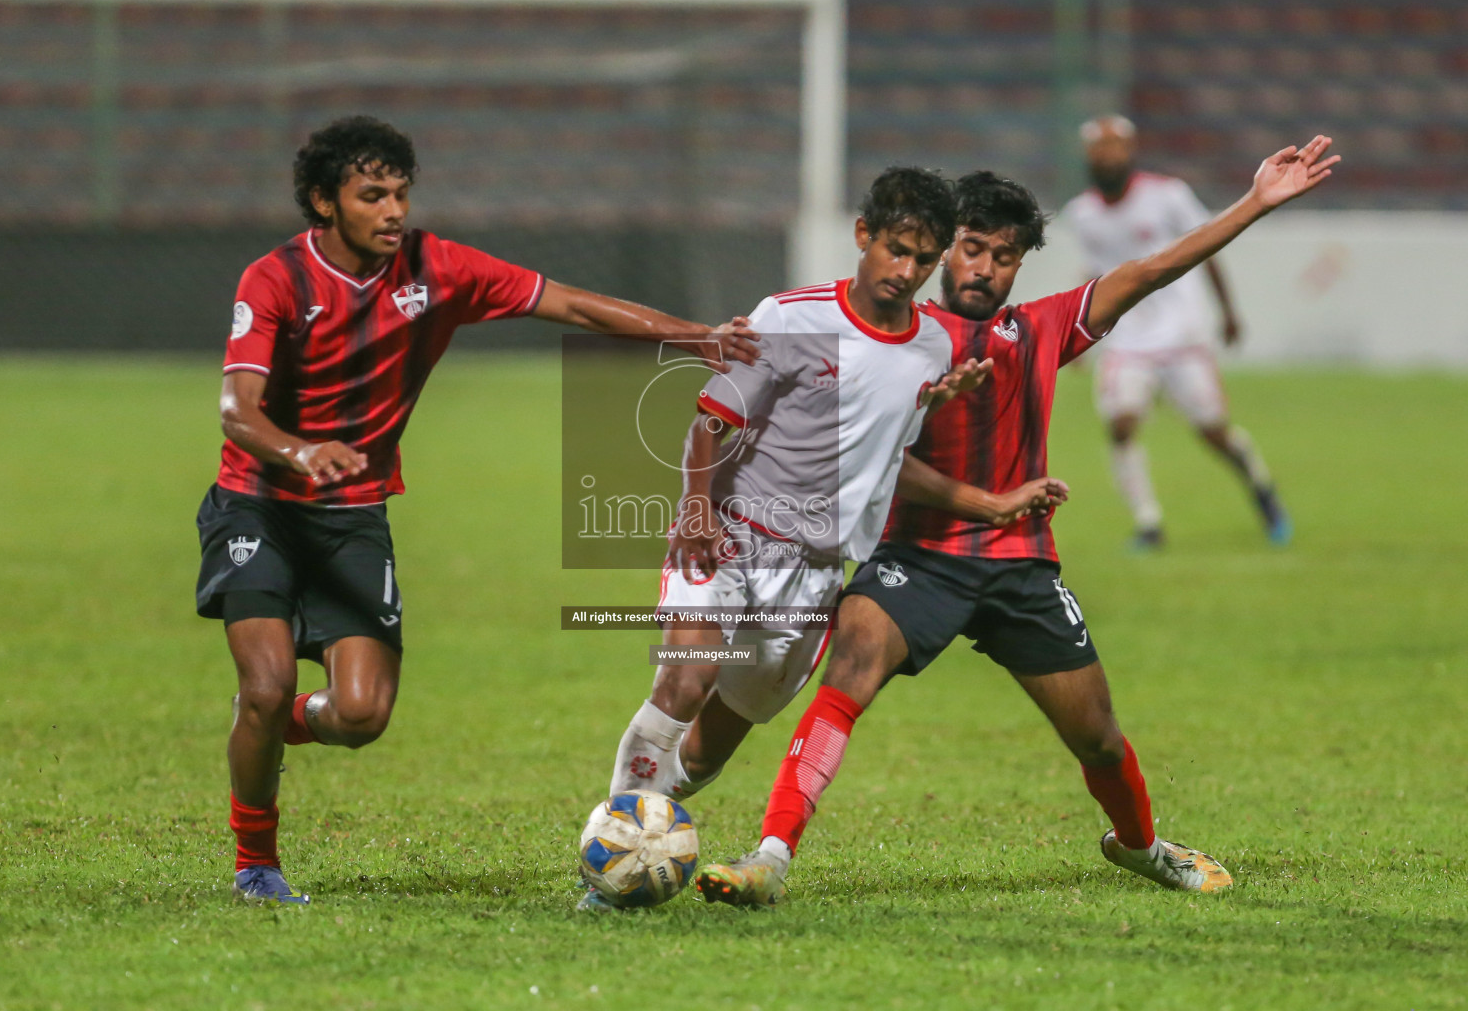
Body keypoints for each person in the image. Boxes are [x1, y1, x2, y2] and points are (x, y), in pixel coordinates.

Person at [697, 136, 1340, 906]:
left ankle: (1142, 847)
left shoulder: (1039, 328)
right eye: (970, 249)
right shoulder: (904, 339)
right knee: (848, 675)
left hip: (1021, 566)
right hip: (917, 558)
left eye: (1004, 256)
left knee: (1096, 735)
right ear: (945, 250)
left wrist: (1254, 203)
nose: (983, 268)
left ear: (1020, 265)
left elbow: (1149, 270)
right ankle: (771, 856)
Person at [198, 115, 758, 904]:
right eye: (371, 196)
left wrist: (691, 334)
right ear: (324, 203)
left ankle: (274, 724)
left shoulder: (438, 268)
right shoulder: (276, 278)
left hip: (353, 516)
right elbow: (236, 410)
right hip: (258, 504)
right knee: (264, 682)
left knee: (361, 715)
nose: (393, 211)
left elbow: (573, 305)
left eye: (400, 193)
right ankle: (256, 864)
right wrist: (299, 451)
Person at [581, 166, 1065, 911]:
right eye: (896, 249)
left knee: (707, 750)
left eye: (923, 258)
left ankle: (641, 838)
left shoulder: (934, 349)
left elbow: (887, 461)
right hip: (732, 537)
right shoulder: (790, 316)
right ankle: (611, 873)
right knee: (685, 678)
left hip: (813, 576)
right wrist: (696, 510)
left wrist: (986, 500)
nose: (905, 272)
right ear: (863, 236)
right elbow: (712, 420)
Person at [1063, 115, 1291, 550]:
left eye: (1115, 146)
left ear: (1129, 151)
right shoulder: (1083, 213)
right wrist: (1077, 339)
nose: (1108, 155)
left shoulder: (1167, 195)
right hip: (1126, 338)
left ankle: (1262, 489)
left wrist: (1228, 312)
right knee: (1121, 424)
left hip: (1181, 335)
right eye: (1100, 148)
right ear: (1088, 156)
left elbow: (1208, 247)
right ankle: (1149, 524)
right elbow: (1095, 273)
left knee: (1213, 432)